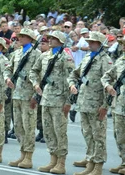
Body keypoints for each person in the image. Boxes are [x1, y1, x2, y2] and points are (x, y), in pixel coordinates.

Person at [30, 31, 75, 174]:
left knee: (60, 132)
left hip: (59, 101)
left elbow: (71, 79)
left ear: (61, 41)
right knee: (48, 131)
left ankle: (61, 163)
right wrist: (35, 84)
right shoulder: (44, 56)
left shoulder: (65, 58)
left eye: (53, 39)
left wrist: (68, 102)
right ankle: (52, 160)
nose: (50, 40)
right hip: (46, 98)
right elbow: (33, 71)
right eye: (49, 38)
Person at [68, 31, 112, 175]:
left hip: (97, 104)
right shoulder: (88, 57)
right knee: (87, 133)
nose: (90, 44)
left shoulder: (105, 60)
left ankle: (98, 165)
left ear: (100, 44)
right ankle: (90, 161)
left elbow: (109, 83)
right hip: (84, 101)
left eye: (92, 42)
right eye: (89, 41)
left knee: (98, 135)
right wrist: (72, 84)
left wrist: (105, 106)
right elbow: (74, 74)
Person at [3, 28, 41, 169]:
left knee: (29, 127)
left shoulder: (37, 54)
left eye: (24, 36)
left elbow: (39, 75)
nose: (20, 38)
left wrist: (36, 96)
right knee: (18, 127)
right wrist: (7, 78)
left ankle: (28, 156)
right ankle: (22, 153)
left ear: (31, 39)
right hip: (16, 94)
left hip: (28, 95)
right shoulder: (17, 53)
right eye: (20, 36)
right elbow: (8, 68)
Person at [101, 37, 125, 174]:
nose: (123, 47)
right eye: (122, 44)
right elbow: (106, 76)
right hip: (119, 104)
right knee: (119, 135)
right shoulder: (120, 61)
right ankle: (123, 162)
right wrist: (108, 86)